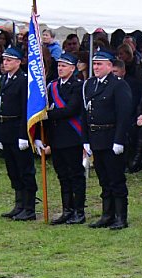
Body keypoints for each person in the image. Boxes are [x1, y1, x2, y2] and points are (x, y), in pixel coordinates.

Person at [82, 49, 134, 230]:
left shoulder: (118, 85)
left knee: (116, 178)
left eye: (100, 64)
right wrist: (86, 139)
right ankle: (107, 214)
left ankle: (120, 216)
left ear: (110, 66)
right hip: (96, 138)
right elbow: (86, 112)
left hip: (112, 137)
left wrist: (119, 140)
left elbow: (124, 114)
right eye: (94, 64)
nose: (95, 67)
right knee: (103, 179)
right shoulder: (90, 85)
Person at [39, 52, 86, 225]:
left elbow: (71, 109)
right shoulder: (52, 86)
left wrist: (48, 115)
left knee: (76, 175)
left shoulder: (77, 86)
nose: (60, 69)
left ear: (73, 69)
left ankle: (79, 211)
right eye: (59, 65)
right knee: (62, 175)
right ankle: (67, 209)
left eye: (64, 66)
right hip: (56, 138)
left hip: (72, 137)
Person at [0, 46, 37, 221]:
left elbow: (24, 109)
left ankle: (29, 207)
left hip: (17, 127)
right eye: (4, 60)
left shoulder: (23, 81)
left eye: (9, 60)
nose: (5, 63)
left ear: (19, 62)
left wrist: (23, 135)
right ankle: (19, 204)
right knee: (12, 168)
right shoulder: (3, 79)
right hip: (5, 128)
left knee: (25, 169)